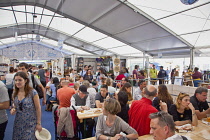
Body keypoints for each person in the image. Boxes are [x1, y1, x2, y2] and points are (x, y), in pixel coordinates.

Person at [10, 72, 42, 139]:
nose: (17, 82)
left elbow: (38, 108)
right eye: (16, 80)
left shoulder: (32, 92)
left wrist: (38, 123)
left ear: (25, 80)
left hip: (31, 122)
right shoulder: (14, 93)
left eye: (20, 80)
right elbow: (15, 105)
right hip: (18, 122)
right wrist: (13, 109)